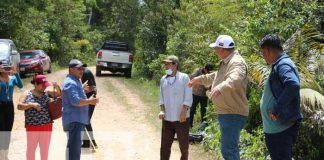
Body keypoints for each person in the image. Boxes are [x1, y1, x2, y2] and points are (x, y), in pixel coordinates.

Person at [188, 35, 248, 160]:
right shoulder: (227, 62)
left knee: (229, 150)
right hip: (227, 113)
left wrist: (220, 88)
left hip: (233, 113)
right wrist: (197, 79)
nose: (215, 51)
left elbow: (235, 78)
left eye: (216, 48)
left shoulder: (236, 62)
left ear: (222, 49)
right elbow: (214, 76)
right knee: (228, 149)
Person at [259, 34, 302, 160]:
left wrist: (276, 108)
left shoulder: (283, 65)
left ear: (267, 51)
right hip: (276, 128)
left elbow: (293, 84)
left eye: (263, 52)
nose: (263, 55)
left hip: (280, 129)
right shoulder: (279, 64)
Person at [17, 75, 61, 160]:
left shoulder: (47, 93)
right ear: (36, 84)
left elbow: (59, 94)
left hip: (47, 126)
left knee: (44, 150)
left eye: (45, 85)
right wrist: (31, 105)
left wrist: (57, 86)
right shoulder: (27, 93)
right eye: (42, 85)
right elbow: (19, 106)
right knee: (31, 150)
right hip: (32, 126)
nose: (44, 87)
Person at [62, 59, 98, 160]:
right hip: (75, 122)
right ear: (71, 69)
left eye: (82, 68)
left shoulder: (75, 80)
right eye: (79, 69)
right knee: (74, 151)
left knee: (73, 149)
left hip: (76, 120)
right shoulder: (70, 83)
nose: (81, 71)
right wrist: (90, 101)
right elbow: (75, 101)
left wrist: (82, 88)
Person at [159, 55, 192, 160]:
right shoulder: (163, 79)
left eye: (168, 64)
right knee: (165, 146)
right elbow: (161, 98)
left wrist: (184, 111)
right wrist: (162, 111)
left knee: (183, 146)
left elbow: (188, 95)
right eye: (165, 64)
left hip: (181, 119)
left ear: (175, 65)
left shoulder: (184, 77)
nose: (165, 66)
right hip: (167, 118)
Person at [0, 64, 23, 160]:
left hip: (9, 105)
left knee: (8, 131)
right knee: (2, 130)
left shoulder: (12, 78)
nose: (6, 69)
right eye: (4, 67)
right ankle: (2, 156)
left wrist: (16, 72)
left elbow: (21, 85)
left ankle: (6, 154)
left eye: (7, 67)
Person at [189, 63, 213, 128]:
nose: (208, 72)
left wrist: (208, 86)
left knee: (204, 111)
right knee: (192, 109)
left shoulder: (210, 73)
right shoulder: (197, 71)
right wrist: (202, 81)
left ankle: (203, 126)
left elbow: (212, 82)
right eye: (207, 70)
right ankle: (189, 125)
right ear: (204, 68)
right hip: (195, 94)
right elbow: (192, 78)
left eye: (209, 71)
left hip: (204, 95)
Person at [81, 67, 98, 148]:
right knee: (84, 121)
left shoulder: (86, 73)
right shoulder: (82, 72)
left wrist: (80, 89)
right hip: (86, 99)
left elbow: (91, 88)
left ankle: (92, 143)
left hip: (90, 99)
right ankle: (87, 142)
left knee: (85, 121)